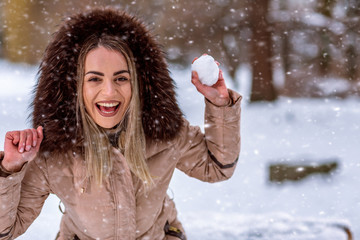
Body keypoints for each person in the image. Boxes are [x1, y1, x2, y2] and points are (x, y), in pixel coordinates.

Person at [0, 8, 241, 240]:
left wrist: (220, 104)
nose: (109, 91)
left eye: (121, 78)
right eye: (94, 79)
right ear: (75, 87)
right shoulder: (53, 153)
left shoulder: (165, 133)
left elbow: (218, 167)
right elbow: (6, 230)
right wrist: (9, 170)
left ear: (137, 83)